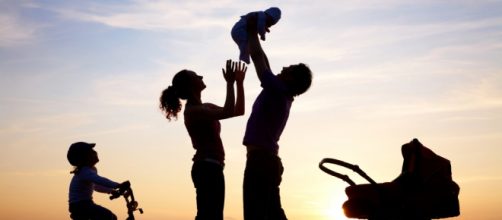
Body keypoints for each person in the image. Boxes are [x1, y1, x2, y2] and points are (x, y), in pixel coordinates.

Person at [242, 18, 312, 220]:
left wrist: (251, 29)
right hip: (264, 161)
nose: (282, 68)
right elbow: (263, 59)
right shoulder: (280, 91)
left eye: (287, 69)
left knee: (258, 215)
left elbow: (257, 58)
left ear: (291, 79)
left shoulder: (278, 90)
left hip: (261, 162)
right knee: (269, 213)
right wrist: (254, 31)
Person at [159, 60, 247, 220]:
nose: (201, 76)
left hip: (213, 167)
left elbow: (238, 110)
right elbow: (228, 110)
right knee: (209, 216)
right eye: (196, 75)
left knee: (211, 215)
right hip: (207, 168)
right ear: (191, 85)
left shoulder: (204, 107)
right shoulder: (193, 111)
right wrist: (230, 83)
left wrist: (239, 83)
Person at [67, 142, 127, 220]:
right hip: (80, 206)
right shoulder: (84, 171)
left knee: (112, 217)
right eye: (91, 151)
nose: (95, 152)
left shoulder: (91, 169)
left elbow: (95, 186)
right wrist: (118, 185)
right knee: (108, 217)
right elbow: (99, 180)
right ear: (84, 157)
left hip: (85, 204)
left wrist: (111, 191)